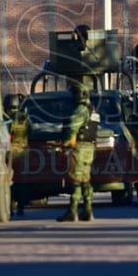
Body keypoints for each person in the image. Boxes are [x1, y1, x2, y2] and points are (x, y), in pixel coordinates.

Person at [56, 84, 99, 222]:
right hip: (89, 148)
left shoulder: (80, 110)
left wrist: (65, 142)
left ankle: (72, 211)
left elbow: (72, 126)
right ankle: (87, 210)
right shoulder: (93, 110)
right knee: (85, 179)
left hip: (79, 148)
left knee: (75, 180)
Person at [5, 94, 33, 217]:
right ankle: (21, 206)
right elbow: (31, 132)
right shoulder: (25, 119)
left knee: (8, 181)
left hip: (9, 152)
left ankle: (10, 207)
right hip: (23, 151)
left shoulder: (5, 118)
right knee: (22, 181)